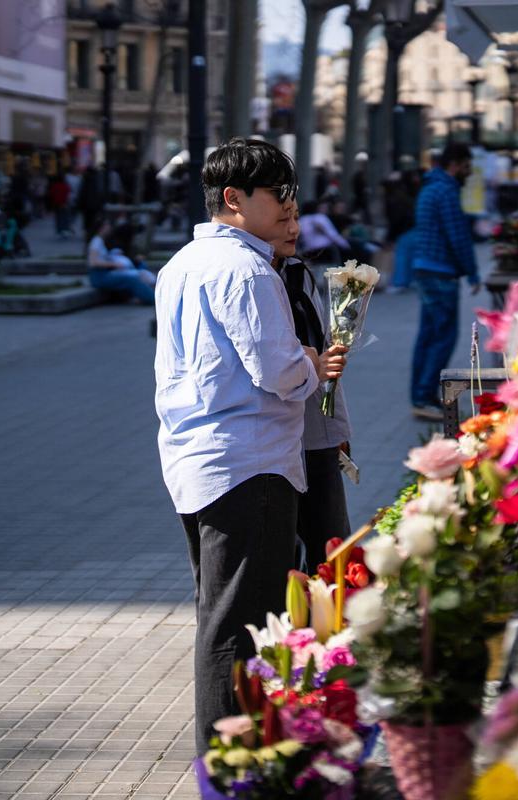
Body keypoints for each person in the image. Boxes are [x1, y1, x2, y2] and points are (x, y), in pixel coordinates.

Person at [153, 138, 349, 755]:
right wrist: (314, 362)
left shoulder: (182, 263)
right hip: (250, 462)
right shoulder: (244, 267)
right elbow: (280, 371)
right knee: (239, 622)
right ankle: (233, 762)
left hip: (202, 458)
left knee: (221, 611)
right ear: (234, 200)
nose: (290, 207)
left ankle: (232, 757)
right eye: (280, 195)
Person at [269, 201, 353, 570]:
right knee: (281, 558)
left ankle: (327, 624)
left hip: (315, 430)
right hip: (271, 442)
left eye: (296, 217)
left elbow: (319, 349)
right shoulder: (249, 278)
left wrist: (337, 428)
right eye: (283, 218)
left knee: (330, 545)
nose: (294, 229)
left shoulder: (299, 273)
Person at [409, 143, 480, 420]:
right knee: (442, 337)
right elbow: (458, 236)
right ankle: (424, 396)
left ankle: (420, 396)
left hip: (426, 268)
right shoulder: (446, 190)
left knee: (428, 336)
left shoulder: (429, 188)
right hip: (440, 272)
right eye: (467, 165)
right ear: (456, 163)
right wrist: (472, 272)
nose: (469, 171)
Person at [86, 216, 157, 304]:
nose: (109, 227)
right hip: (99, 277)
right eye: (107, 225)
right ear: (101, 227)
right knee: (132, 278)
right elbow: (93, 263)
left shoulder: (100, 241)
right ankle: (154, 299)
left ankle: (153, 296)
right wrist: (114, 264)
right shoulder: (96, 242)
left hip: (104, 273)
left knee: (137, 273)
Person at [298, 199, 352, 263]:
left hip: (309, 251)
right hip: (324, 251)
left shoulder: (301, 220)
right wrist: (345, 245)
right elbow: (332, 234)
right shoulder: (320, 218)